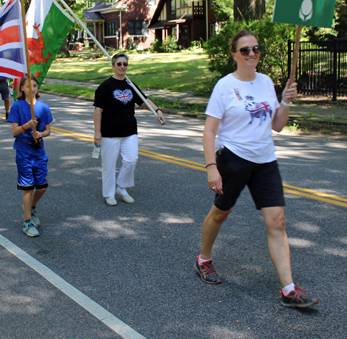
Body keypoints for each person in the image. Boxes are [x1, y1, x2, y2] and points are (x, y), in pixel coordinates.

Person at [195, 30, 318, 308]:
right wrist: (211, 167)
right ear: (234, 54)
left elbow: (277, 125)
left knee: (277, 221)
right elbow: (209, 132)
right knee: (220, 214)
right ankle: (203, 259)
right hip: (233, 159)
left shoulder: (264, 82)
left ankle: (289, 289)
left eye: (255, 49)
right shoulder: (224, 86)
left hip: (265, 160)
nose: (251, 54)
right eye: (245, 50)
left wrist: (285, 101)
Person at [93, 52, 166, 206]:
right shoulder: (105, 87)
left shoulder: (130, 84)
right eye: (119, 64)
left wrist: (157, 110)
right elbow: (98, 110)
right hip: (109, 133)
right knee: (109, 165)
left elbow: (143, 100)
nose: (122, 67)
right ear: (113, 66)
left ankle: (122, 187)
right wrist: (97, 132)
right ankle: (109, 194)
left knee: (131, 159)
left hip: (129, 131)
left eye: (125, 64)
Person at [7, 75, 53, 237]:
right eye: (28, 86)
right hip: (24, 152)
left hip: (39, 152)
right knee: (28, 188)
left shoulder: (43, 107)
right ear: (22, 89)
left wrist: (41, 133)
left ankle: (31, 207)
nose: (32, 89)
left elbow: (48, 130)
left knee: (42, 187)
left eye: (34, 85)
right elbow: (15, 131)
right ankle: (28, 222)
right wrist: (27, 125)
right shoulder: (17, 107)